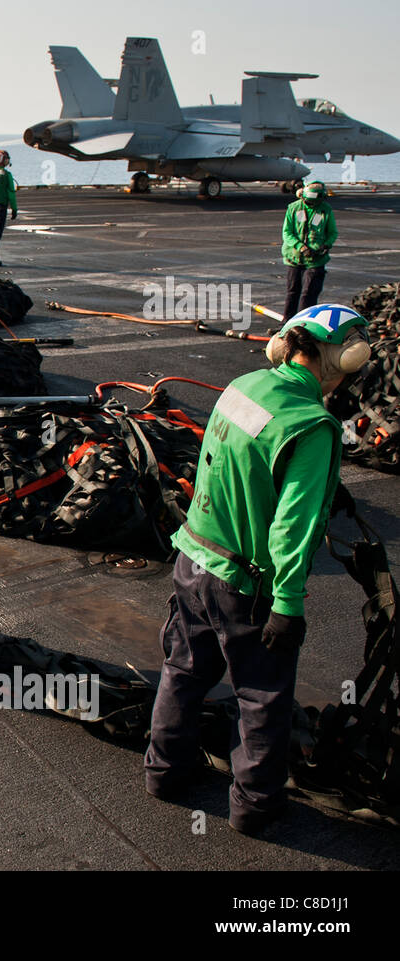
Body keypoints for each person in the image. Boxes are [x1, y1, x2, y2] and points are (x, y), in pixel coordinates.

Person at [144, 304, 372, 836]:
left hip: (192, 558)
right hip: (243, 584)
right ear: (340, 358)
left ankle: (164, 772)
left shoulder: (244, 385)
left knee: (183, 671)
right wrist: (287, 605)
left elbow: (227, 466)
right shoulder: (313, 426)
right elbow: (290, 531)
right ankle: (255, 807)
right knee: (262, 697)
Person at [281, 181, 338, 322]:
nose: (310, 205)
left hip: (315, 259)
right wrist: (300, 247)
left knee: (309, 293)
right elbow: (287, 232)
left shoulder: (325, 210)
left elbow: (332, 232)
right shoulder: (294, 208)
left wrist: (326, 245)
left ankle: (304, 323)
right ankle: (287, 322)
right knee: (292, 292)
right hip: (294, 257)